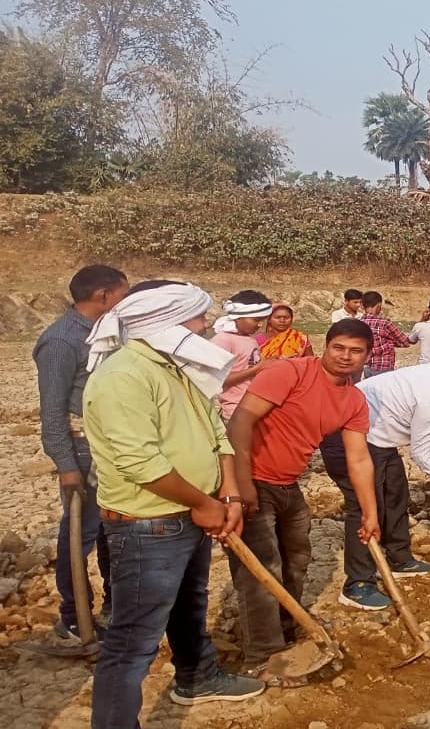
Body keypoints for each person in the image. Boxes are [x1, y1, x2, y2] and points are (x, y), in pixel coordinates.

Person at [83, 281, 264, 725]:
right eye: (197, 318)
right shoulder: (122, 376)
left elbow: (216, 432)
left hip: (191, 512)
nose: (205, 327)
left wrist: (229, 494)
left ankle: (197, 677)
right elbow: (140, 461)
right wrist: (204, 503)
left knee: (189, 605)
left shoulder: (180, 369)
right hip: (148, 524)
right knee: (133, 642)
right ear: (165, 323)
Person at [225, 319, 381, 684]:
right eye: (339, 347)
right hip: (255, 479)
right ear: (325, 346)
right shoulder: (290, 372)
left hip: (288, 484)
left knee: (297, 559)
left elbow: (358, 458)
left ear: (367, 356)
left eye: (356, 351)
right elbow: (240, 421)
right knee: (262, 567)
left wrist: (370, 513)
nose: (346, 356)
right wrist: (241, 483)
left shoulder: (354, 400)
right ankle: (261, 656)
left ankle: (284, 630)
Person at [320, 362, 430, 609]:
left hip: (379, 438)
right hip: (346, 436)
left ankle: (400, 558)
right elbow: (421, 454)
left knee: (396, 493)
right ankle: (357, 583)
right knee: (364, 506)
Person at [34, 264, 129, 643]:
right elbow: (53, 411)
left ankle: (112, 606)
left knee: (112, 527)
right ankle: (74, 616)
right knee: (79, 533)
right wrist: (66, 465)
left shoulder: (106, 333)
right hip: (82, 449)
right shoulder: (60, 342)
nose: (125, 302)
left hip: (110, 445)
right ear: (102, 295)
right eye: (122, 294)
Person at [211, 290, 276, 422]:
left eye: (262, 320)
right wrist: (257, 368)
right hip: (236, 411)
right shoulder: (223, 340)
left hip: (254, 405)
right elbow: (219, 379)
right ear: (238, 316)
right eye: (256, 320)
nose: (260, 325)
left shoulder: (250, 339)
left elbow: (249, 365)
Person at [360, 291, 415, 377]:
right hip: (384, 367)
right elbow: (405, 342)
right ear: (379, 305)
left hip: (367, 367)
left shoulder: (359, 323)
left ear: (363, 306)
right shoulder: (384, 323)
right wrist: (391, 342)